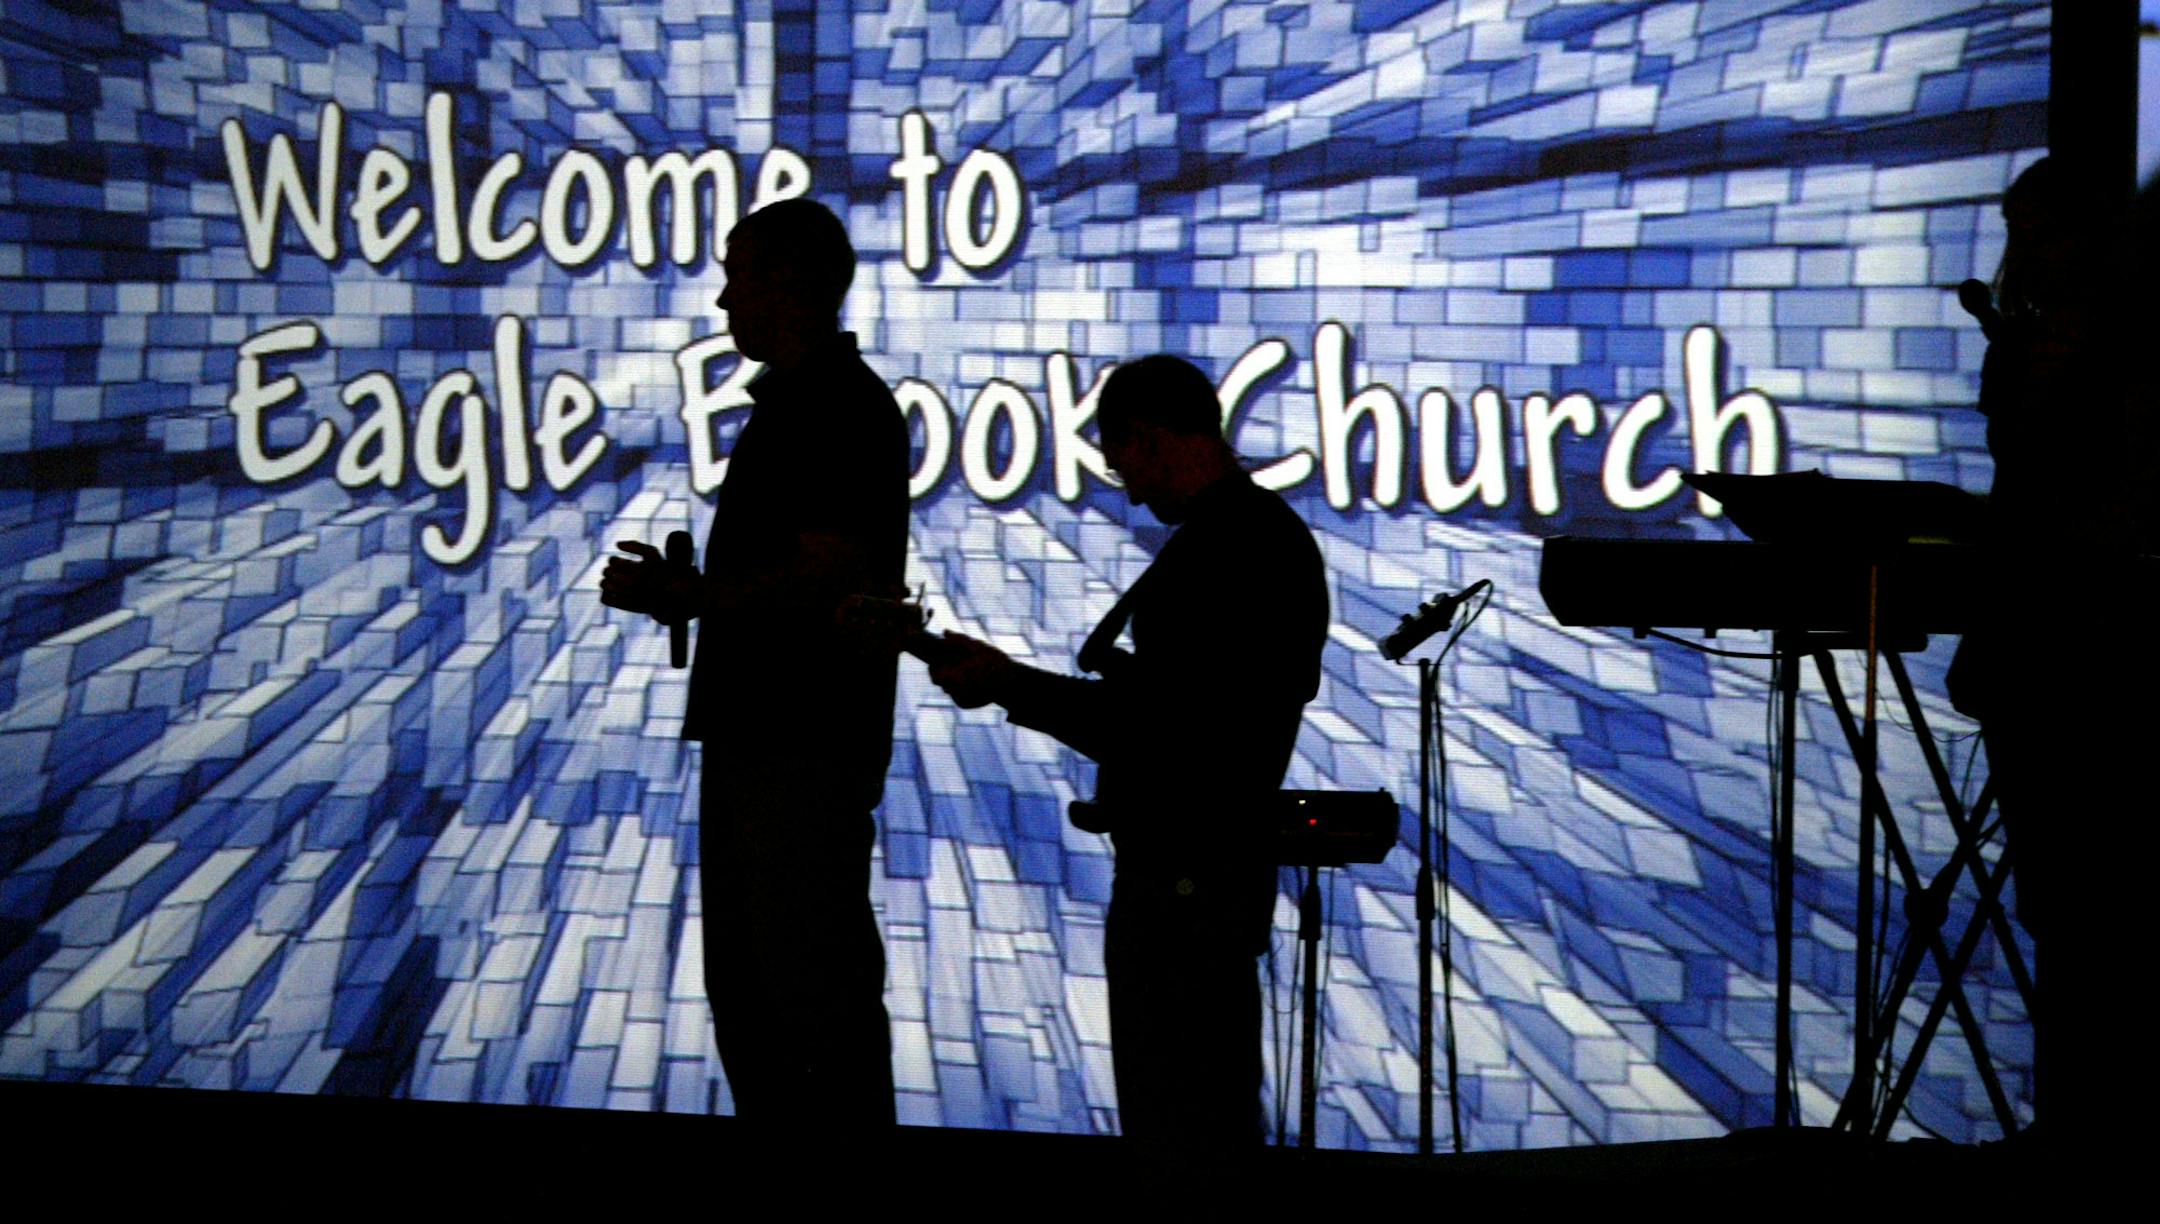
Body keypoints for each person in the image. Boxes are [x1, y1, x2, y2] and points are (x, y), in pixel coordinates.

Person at [927, 355, 1329, 1149]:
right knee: (1199, 1116)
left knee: (1179, 1125)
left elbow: (1155, 727)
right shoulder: (1255, 538)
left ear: (1146, 438)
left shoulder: (1226, 549)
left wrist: (1006, 683)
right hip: (1203, 875)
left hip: (1185, 882)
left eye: (1122, 465)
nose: (1131, 491)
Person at [599, 198, 907, 1130]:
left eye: (739, 274)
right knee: (762, 995)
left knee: (801, 996)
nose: (725, 297)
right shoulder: (804, 404)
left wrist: (698, 600)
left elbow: (825, 572)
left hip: (796, 747)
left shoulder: (834, 408)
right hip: (770, 743)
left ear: (790, 285)